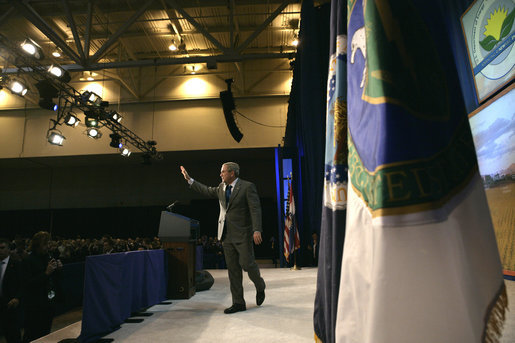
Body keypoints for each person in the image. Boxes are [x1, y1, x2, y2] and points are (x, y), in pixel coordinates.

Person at [180, 162, 266, 314]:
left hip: (243, 234)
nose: (220, 174)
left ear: (232, 173)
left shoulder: (247, 187)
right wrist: (189, 180)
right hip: (226, 235)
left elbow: (255, 209)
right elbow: (206, 190)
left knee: (247, 264)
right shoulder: (221, 188)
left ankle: (260, 286)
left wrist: (257, 229)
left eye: (223, 172)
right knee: (233, 270)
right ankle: (238, 303)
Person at [22, 231, 62, 343]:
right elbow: (27, 284)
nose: (48, 247)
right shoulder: (28, 261)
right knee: (32, 335)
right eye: (45, 244)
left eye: (49, 244)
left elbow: (54, 279)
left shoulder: (48, 257)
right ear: (37, 245)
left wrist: (58, 270)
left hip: (47, 305)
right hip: (34, 307)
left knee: (45, 334)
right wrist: (46, 273)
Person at [0, 238, 23, 343]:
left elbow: (23, 284)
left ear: (9, 249)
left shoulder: (16, 264)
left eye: (2, 248)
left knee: (12, 337)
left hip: (10, 307)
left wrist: (17, 298)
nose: (0, 250)